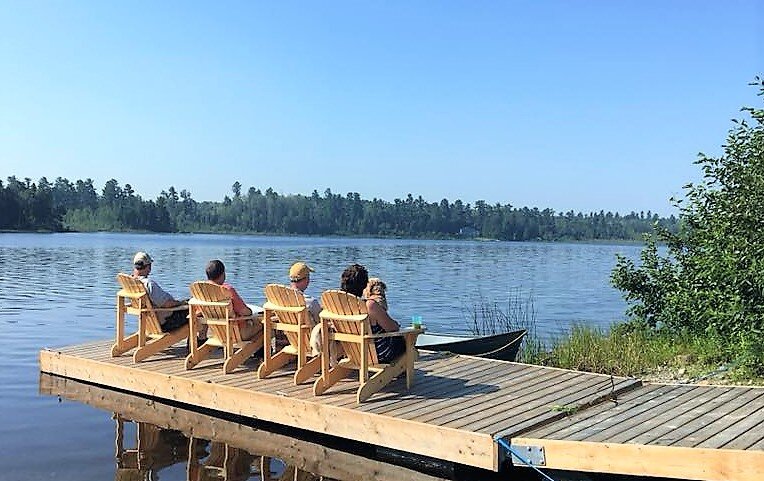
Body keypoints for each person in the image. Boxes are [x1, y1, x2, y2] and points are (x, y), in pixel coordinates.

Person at [340, 264, 404, 363]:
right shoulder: (370, 305)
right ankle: (402, 369)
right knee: (402, 340)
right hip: (376, 355)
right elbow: (392, 328)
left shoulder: (337, 304)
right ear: (364, 285)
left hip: (350, 352)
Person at [131, 251, 189, 333]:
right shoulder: (148, 284)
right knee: (196, 310)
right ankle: (197, 341)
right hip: (166, 321)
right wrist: (181, 303)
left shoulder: (131, 282)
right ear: (148, 266)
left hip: (148, 321)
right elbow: (167, 304)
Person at [205, 259, 261, 341]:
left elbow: (198, 312)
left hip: (217, 332)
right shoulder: (227, 290)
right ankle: (260, 354)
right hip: (236, 332)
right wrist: (252, 315)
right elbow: (245, 312)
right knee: (263, 325)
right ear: (223, 274)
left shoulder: (203, 291)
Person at [288, 261, 321, 327]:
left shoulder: (280, 299)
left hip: (287, 334)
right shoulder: (311, 302)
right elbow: (320, 321)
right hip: (308, 335)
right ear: (306, 279)